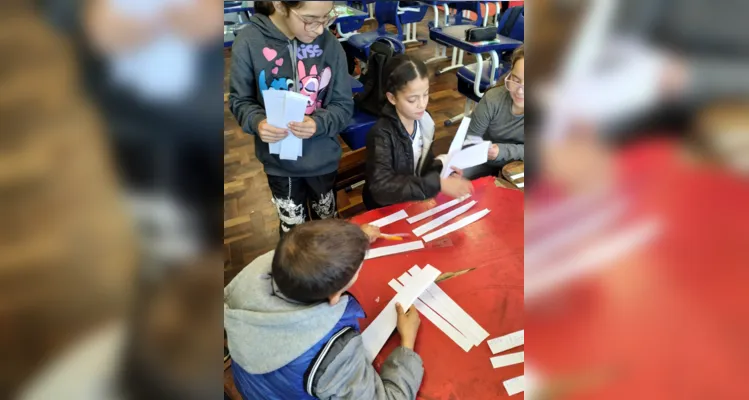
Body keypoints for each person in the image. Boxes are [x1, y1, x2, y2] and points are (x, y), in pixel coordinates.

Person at [224, 219, 424, 399]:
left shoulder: (261, 268)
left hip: (253, 386)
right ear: (334, 296)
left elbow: (310, 252)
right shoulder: (332, 356)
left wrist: (357, 240)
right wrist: (407, 344)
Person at [229, 1, 354, 236]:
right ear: (279, 4)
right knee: (293, 234)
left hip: (322, 160)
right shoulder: (248, 42)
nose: (319, 29)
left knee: (327, 230)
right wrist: (257, 121)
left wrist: (318, 123)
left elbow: (344, 105)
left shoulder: (329, 44)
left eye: (326, 17)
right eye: (309, 19)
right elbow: (240, 101)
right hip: (279, 165)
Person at [363, 54, 473, 210]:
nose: (422, 104)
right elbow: (381, 188)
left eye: (426, 94)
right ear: (392, 98)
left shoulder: (424, 122)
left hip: (413, 200)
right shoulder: (381, 134)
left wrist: (443, 171)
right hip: (387, 208)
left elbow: (422, 165)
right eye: (412, 99)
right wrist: (437, 184)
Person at [462, 45, 525, 179]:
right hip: (482, 158)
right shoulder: (493, 99)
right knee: (454, 177)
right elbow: (470, 140)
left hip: (518, 163)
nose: (520, 91)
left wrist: (502, 151)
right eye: (515, 80)